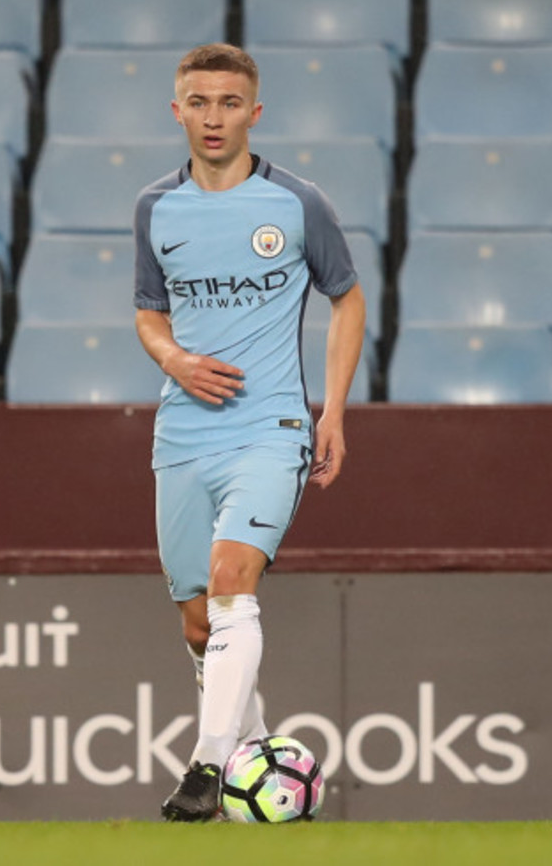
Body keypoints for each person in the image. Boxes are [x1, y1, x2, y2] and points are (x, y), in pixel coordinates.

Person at [134, 43, 366, 822]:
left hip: (271, 425)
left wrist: (331, 408)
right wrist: (173, 356)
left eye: (229, 103)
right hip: (183, 435)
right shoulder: (155, 208)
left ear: (254, 113)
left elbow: (348, 298)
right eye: (199, 102)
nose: (213, 117)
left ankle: (204, 769)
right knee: (199, 619)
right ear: (177, 110)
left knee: (233, 579)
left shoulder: (297, 203)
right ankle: (253, 757)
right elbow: (147, 310)